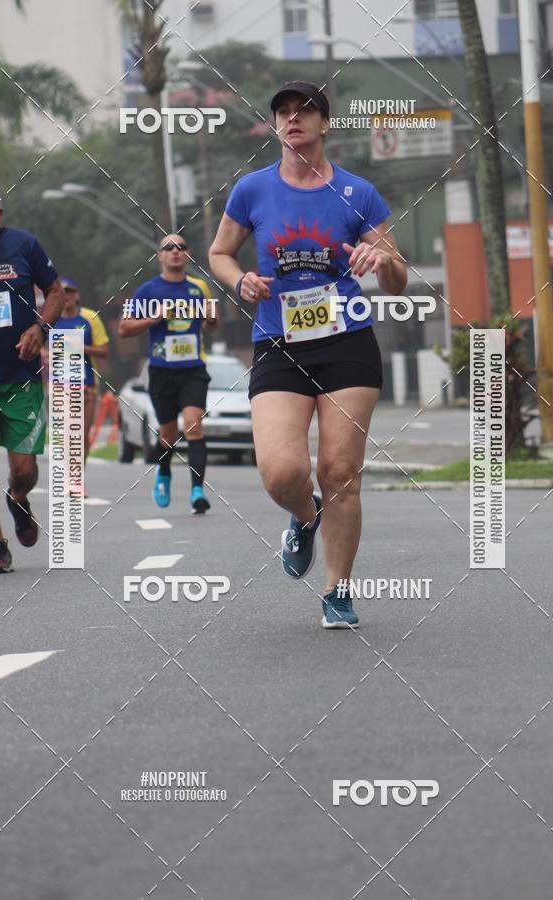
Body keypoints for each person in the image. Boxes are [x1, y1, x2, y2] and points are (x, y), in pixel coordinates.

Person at [209, 82, 407, 628]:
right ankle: (304, 514)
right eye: (283, 112)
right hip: (278, 343)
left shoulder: (358, 192)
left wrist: (381, 260)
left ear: (325, 124)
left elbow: (397, 277)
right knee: (281, 472)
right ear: (275, 125)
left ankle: (338, 591)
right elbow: (220, 252)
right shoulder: (252, 189)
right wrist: (240, 280)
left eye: (305, 111)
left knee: (339, 470)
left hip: (347, 342)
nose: (293, 119)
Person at [0, 176, 64, 574]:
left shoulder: (23, 244)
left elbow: (55, 292)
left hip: (21, 377)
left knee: (25, 470)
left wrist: (38, 329)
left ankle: (17, 497)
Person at [119, 234, 217, 513]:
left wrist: (211, 318)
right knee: (167, 434)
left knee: (194, 426)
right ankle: (163, 473)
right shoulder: (146, 291)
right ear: (159, 256)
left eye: (181, 247)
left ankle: (197, 491)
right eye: (168, 247)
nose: (175, 251)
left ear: (187, 254)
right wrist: (155, 318)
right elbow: (124, 329)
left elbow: (210, 325)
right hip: (161, 371)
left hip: (193, 370)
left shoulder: (199, 288)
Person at [52, 278, 110, 486]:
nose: (66, 296)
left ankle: (77, 478)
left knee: (82, 434)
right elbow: (36, 343)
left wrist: (80, 347)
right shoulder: (50, 318)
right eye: (61, 292)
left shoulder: (89, 317)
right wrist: (45, 354)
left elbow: (104, 351)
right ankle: (70, 476)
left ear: (76, 295)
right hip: (60, 385)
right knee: (69, 431)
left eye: (69, 292)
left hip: (87, 384)